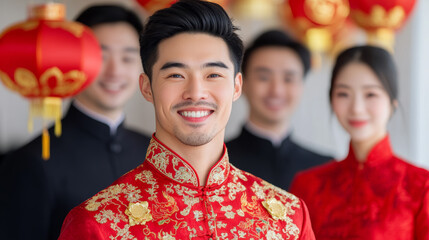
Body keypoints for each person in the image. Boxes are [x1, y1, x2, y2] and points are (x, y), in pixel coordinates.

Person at [58, 1, 315, 239]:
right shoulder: (98, 223)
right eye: (176, 75)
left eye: (213, 74)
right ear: (147, 87)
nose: (195, 93)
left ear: (237, 86)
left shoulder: (289, 217)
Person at [0, 5, 151, 240]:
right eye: (101, 56)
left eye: (128, 57)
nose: (115, 71)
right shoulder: (33, 161)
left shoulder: (153, 150)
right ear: (75, 60)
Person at [290, 45, 429, 239]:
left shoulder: (420, 186)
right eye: (343, 94)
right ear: (331, 101)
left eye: (370, 94)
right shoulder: (308, 185)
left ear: (392, 103)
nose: (356, 108)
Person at [227, 30, 331, 190]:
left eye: (288, 79)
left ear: (302, 86)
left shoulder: (325, 169)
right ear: (241, 84)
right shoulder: (217, 164)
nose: (277, 90)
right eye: (264, 77)